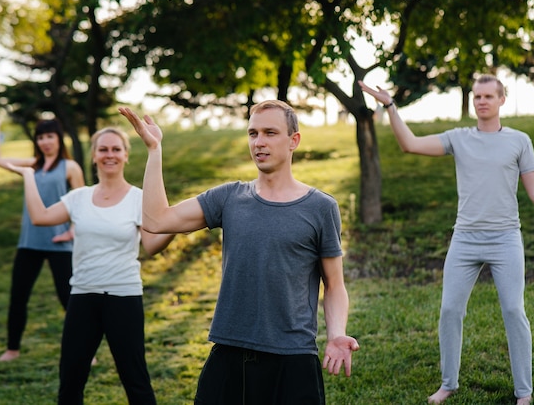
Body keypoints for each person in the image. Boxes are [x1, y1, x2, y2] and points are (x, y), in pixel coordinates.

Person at [119, 101, 360, 405]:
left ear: (293, 141)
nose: (259, 142)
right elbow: (156, 221)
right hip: (229, 352)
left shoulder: (321, 208)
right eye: (253, 133)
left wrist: (336, 333)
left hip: (293, 356)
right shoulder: (229, 198)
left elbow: (334, 285)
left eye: (270, 133)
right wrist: (155, 151)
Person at [359, 75, 534, 405]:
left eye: (489, 95)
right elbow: (410, 144)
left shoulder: (519, 141)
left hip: (505, 239)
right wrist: (390, 106)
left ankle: (524, 392)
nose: (482, 101)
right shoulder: (458, 138)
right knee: (449, 310)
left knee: (514, 311)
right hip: (465, 239)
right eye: (477, 96)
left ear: (502, 100)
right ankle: (449, 383)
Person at [7, 127, 175, 404]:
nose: (110, 154)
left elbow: (153, 246)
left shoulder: (138, 198)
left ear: (126, 155)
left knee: (135, 380)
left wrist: (174, 226)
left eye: (116, 149)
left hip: (124, 296)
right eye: (103, 149)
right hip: (82, 296)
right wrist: (29, 176)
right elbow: (39, 217)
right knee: (70, 381)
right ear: (94, 156)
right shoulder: (79, 197)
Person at [0, 112, 85, 362]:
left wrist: (71, 231)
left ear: (58, 138)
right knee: (19, 297)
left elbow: (82, 205)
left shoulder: (70, 167)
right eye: (40, 137)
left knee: (69, 300)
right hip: (29, 243)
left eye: (50, 136)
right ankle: (12, 349)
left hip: (59, 244)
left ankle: (85, 350)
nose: (45, 141)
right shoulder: (32, 166)